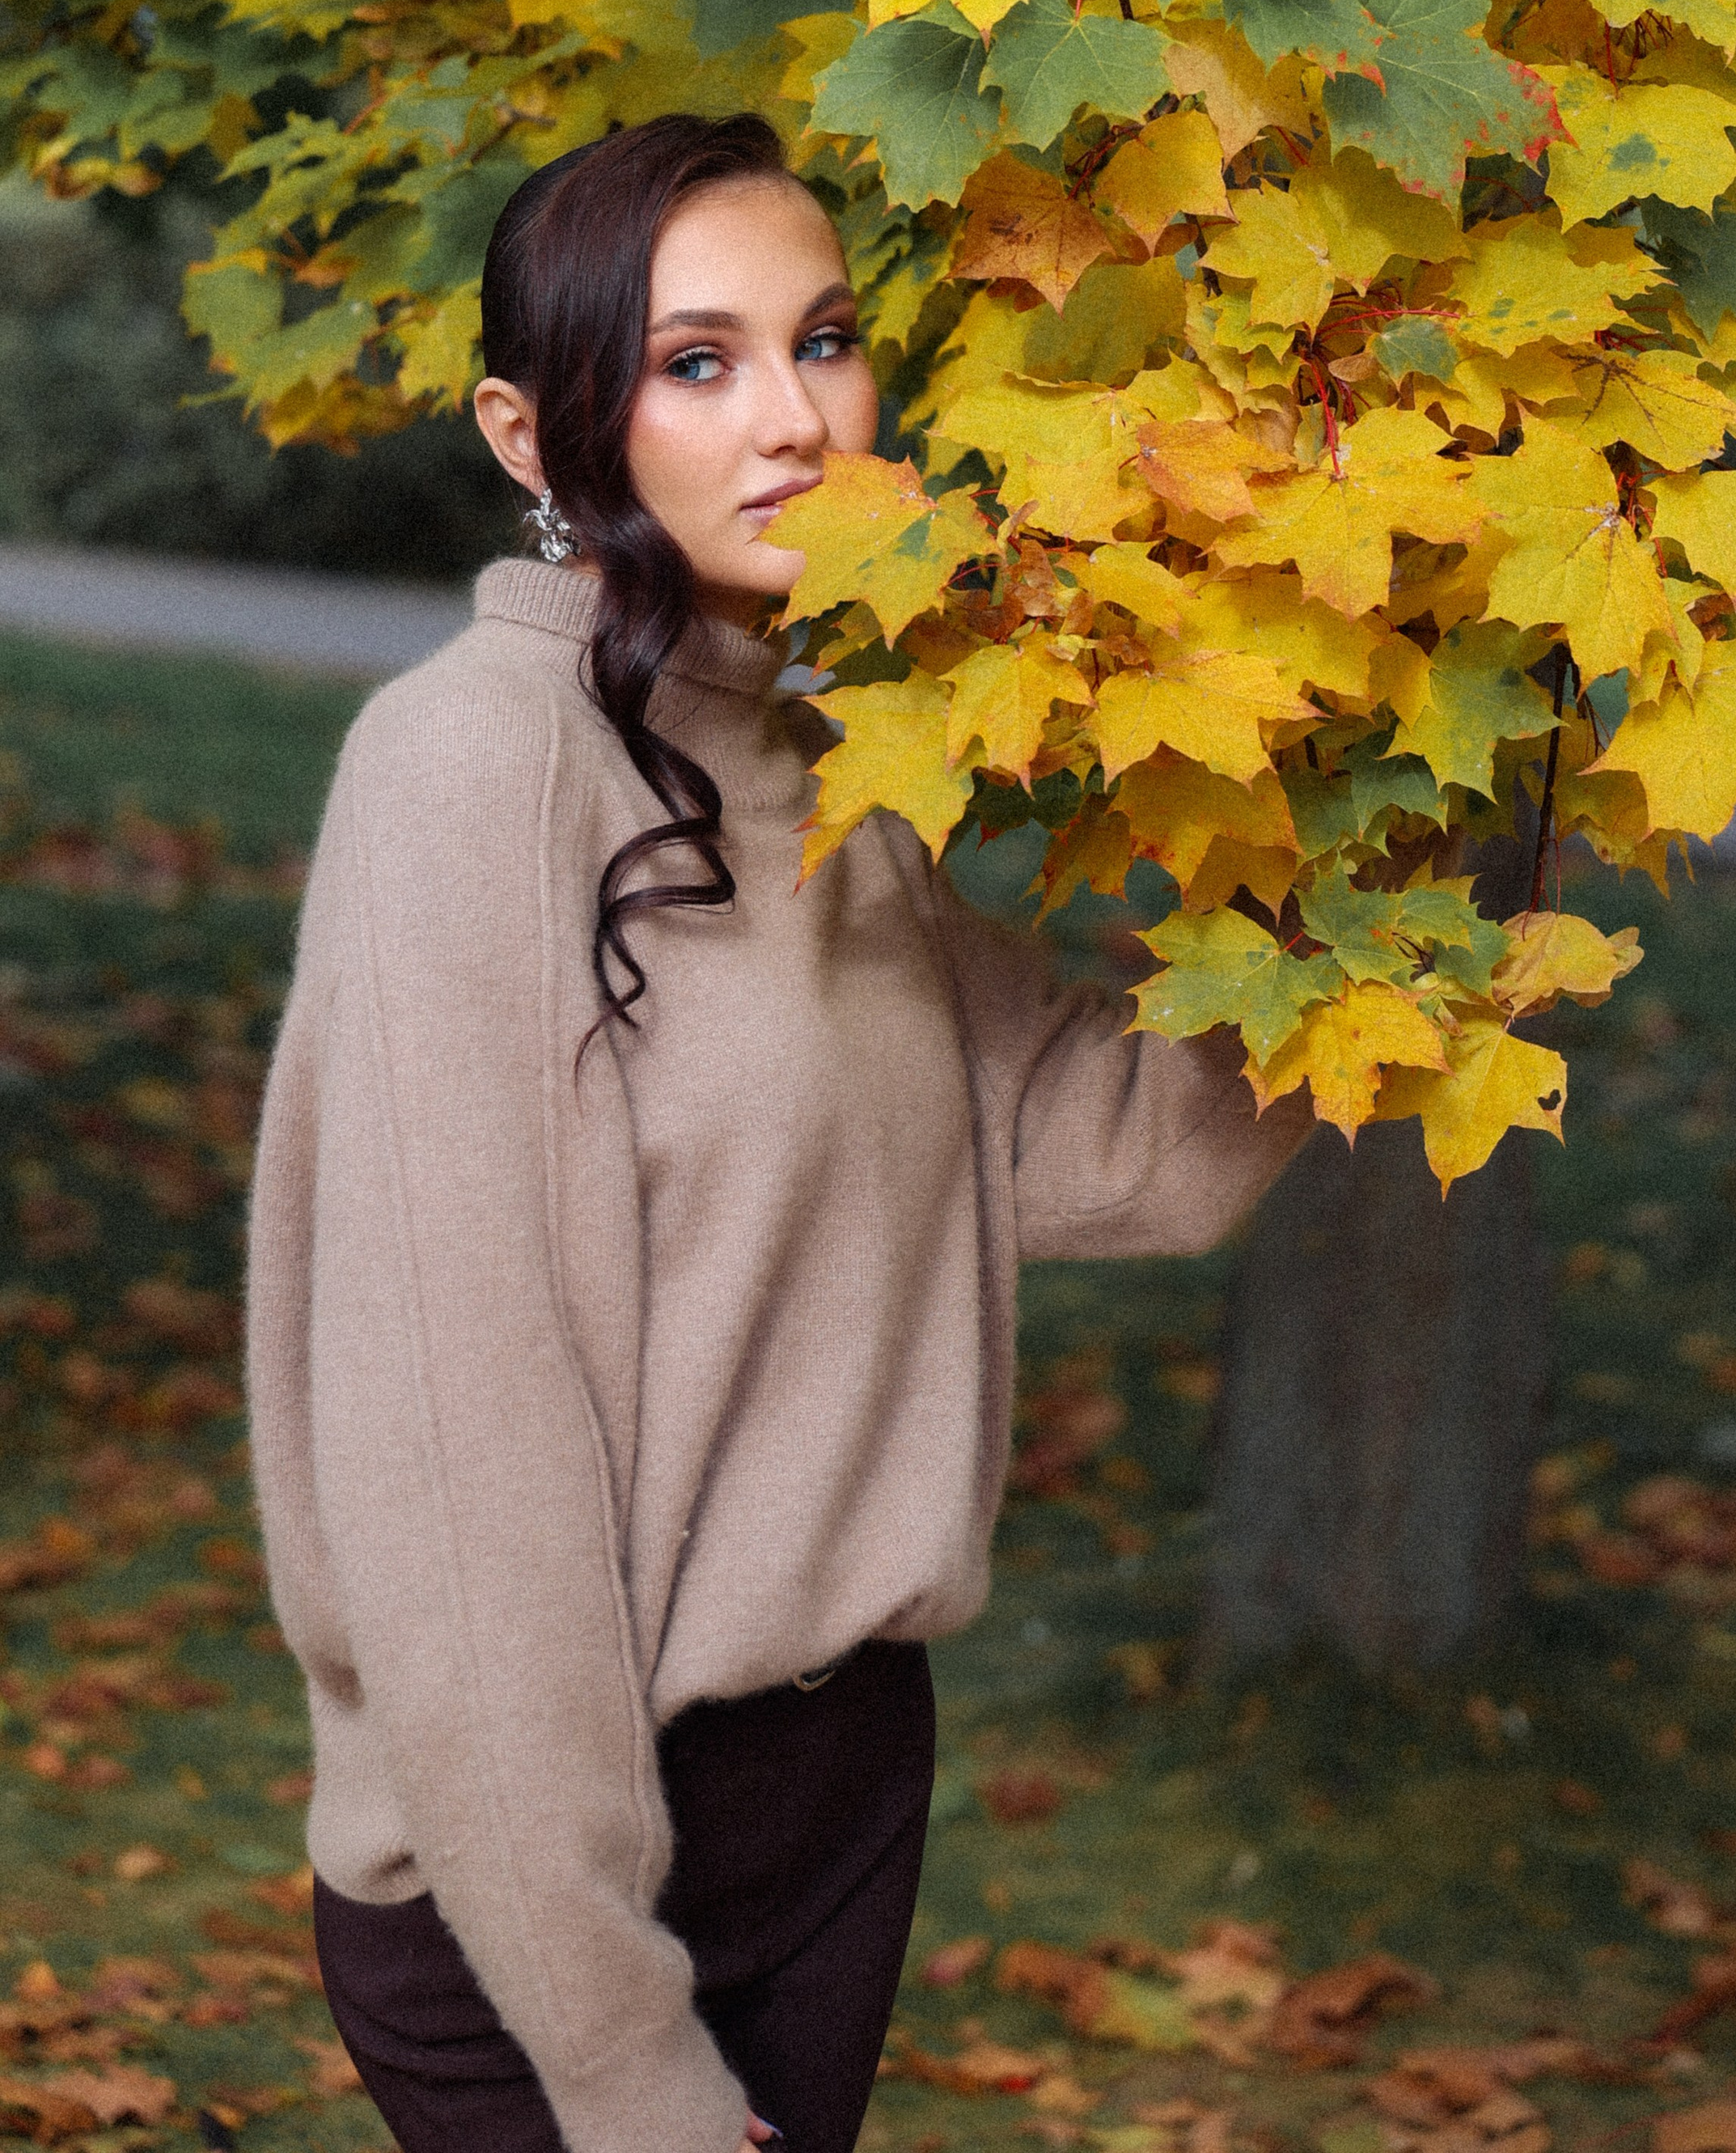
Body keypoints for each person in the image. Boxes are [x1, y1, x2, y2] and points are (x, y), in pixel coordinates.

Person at [246, 112, 1312, 2153]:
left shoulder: (834, 771)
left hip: (827, 1808)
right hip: (546, 1885)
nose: (798, 417)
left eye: (823, 340)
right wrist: (615, 2045)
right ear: (530, 429)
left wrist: (1365, 831)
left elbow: (1132, 1153)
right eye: (696, 361)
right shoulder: (467, 774)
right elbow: (459, 1475)